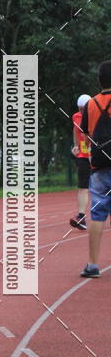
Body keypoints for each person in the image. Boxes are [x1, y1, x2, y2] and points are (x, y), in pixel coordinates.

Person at [79, 61, 111, 278]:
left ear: (99, 80)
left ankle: (92, 264)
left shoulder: (90, 104)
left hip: (99, 166)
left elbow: (86, 134)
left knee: (97, 214)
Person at [69, 94, 91, 230]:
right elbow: (75, 131)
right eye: (80, 109)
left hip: (99, 157)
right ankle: (81, 217)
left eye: (85, 109)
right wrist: (75, 146)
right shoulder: (76, 117)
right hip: (83, 156)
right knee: (83, 187)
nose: (82, 112)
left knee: (105, 187)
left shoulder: (100, 116)